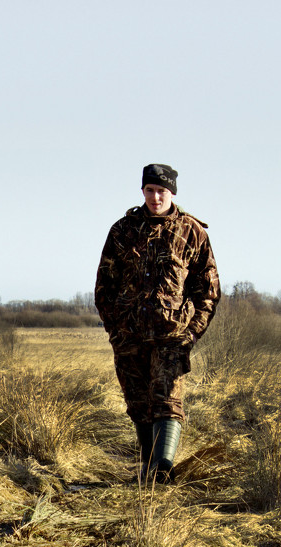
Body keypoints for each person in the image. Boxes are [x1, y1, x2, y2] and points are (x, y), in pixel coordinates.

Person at [95, 163, 220, 482]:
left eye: (161, 191)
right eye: (149, 190)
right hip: (129, 336)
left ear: (172, 193)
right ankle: (150, 467)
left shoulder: (192, 232)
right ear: (142, 191)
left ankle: (163, 468)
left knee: (167, 401)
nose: (155, 197)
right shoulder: (122, 230)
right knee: (138, 404)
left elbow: (208, 290)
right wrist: (116, 329)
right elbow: (103, 286)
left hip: (171, 336)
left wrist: (191, 334)